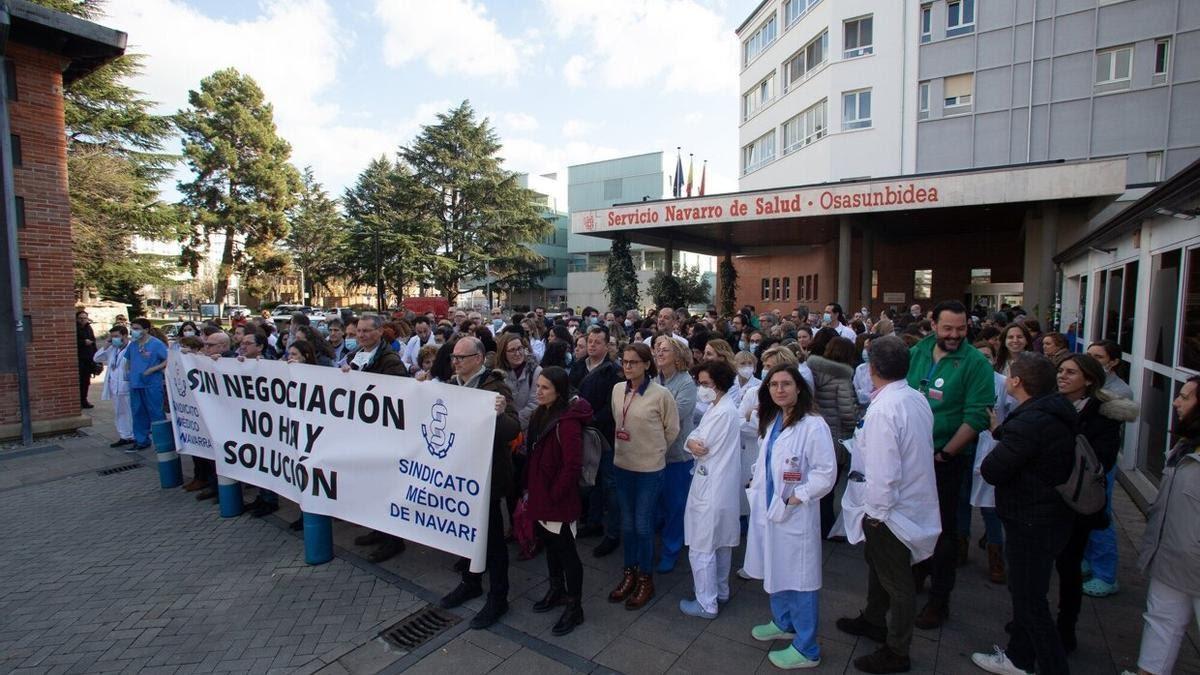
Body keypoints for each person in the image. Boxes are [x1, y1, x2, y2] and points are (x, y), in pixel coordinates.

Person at [836, 336, 940, 674]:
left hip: (892, 512)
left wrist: (876, 515)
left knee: (897, 582)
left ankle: (897, 649)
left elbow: (884, 472)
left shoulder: (885, 410)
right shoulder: (915, 399)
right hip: (906, 505)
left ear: (872, 369)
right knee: (880, 568)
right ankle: (873, 619)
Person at [973, 353, 1076, 675]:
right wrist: (1005, 433)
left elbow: (994, 468)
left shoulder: (1030, 420)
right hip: (1046, 514)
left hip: (1031, 518)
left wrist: (1002, 438)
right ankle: (1019, 657)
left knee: (1030, 599)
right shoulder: (1050, 412)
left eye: (1009, 376)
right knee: (1028, 594)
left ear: (1016, 382)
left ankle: (1053, 666)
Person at [906, 300, 995, 629]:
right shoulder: (918, 353)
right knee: (911, 524)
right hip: (911, 458)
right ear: (933, 325)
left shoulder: (975, 364)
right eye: (948, 329)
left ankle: (939, 600)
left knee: (943, 531)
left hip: (945, 459)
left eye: (961, 329)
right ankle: (916, 574)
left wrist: (945, 454)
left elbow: (976, 416)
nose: (955, 335)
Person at [745, 364, 836, 669]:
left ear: (799, 387)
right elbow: (766, 459)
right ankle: (783, 623)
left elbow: (826, 473)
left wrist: (798, 496)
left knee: (800, 578)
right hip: (769, 508)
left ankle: (806, 647)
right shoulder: (774, 420)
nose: (780, 389)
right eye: (774, 384)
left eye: (786, 384)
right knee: (776, 568)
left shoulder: (813, 425)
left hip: (795, 513)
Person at [1053, 354, 1138, 651]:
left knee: (1069, 566)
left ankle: (1066, 627)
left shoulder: (1103, 415)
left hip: (1077, 503)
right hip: (1050, 500)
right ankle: (1034, 620)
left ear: (1088, 379)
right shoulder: (1053, 403)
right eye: (1060, 371)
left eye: (1071, 372)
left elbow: (1099, 460)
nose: (1062, 376)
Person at [439, 337, 520, 629]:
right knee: (468, 534)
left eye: (461, 357)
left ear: (478, 359)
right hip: (460, 474)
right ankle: (471, 581)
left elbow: (513, 428)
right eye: (453, 358)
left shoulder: (495, 389)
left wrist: (498, 415)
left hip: (486, 478)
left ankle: (499, 597)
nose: (456, 362)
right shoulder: (451, 386)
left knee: (493, 539)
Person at [1130, 376, 1200, 675]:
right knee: (1160, 621)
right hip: (1170, 554)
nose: (1175, 401)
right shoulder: (1185, 447)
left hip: (1192, 557)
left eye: (1185, 397)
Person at [607, 342, 679, 611]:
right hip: (623, 465)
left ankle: (645, 578)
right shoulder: (617, 390)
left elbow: (672, 430)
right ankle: (629, 572)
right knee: (627, 524)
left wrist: (654, 452)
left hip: (649, 469)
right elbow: (618, 421)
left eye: (634, 362)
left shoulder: (661, 395)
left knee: (643, 524)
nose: (627, 367)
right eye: (624, 362)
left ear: (647, 365)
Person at [524, 366, 591, 636]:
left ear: (559, 391)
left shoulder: (568, 421)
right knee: (550, 547)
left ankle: (575, 607)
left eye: (544, 388)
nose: (538, 391)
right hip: (541, 494)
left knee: (567, 552)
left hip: (557, 499)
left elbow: (572, 465)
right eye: (537, 386)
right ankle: (556, 589)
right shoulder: (542, 413)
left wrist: (555, 494)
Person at [679, 360, 742, 619]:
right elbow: (693, 439)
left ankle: (706, 602)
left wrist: (691, 442)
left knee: (702, 546)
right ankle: (720, 591)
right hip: (719, 486)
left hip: (711, 485)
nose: (701, 389)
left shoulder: (722, 412)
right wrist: (691, 441)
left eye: (705, 384)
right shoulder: (719, 408)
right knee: (721, 543)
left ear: (719, 383)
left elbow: (699, 443)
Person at [571, 326, 624, 556]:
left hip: (604, 435)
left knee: (609, 483)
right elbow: (570, 391)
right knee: (590, 480)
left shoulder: (613, 371)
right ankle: (593, 522)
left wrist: (590, 418)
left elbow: (613, 405)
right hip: (581, 432)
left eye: (597, 342)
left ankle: (613, 533)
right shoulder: (578, 366)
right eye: (589, 341)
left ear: (606, 345)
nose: (592, 345)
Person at [968, 340, 1015, 585]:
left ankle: (996, 555)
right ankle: (959, 546)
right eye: (979, 356)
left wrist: (998, 429)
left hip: (991, 445)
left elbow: (1014, 415)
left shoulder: (1002, 383)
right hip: (965, 445)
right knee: (960, 501)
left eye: (988, 356)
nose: (983, 360)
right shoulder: (964, 379)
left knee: (990, 506)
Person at [652, 335, 697, 574]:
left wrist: (648, 416)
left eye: (665, 350)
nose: (659, 353)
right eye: (657, 349)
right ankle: (657, 544)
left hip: (677, 456)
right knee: (656, 504)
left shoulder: (686, 383)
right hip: (652, 454)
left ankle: (671, 549)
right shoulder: (653, 379)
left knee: (675, 506)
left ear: (678, 356)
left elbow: (674, 417)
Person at [806, 335, 858, 539]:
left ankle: (819, 524)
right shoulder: (842, 377)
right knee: (830, 487)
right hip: (837, 436)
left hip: (819, 432)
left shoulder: (813, 369)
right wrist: (857, 423)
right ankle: (826, 527)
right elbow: (847, 413)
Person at [125, 318, 169, 451]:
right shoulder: (133, 344)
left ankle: (162, 443)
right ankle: (141, 441)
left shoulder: (156, 344)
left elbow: (167, 360)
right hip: (136, 384)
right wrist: (128, 372)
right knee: (138, 413)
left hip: (152, 384)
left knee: (156, 413)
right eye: (133, 328)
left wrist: (152, 369)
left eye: (137, 328)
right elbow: (128, 359)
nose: (134, 331)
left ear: (146, 330)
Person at [93, 325, 134, 449]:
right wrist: (106, 344)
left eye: (116, 336)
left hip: (127, 386)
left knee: (131, 412)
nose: (114, 339)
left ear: (125, 336)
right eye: (112, 337)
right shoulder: (112, 349)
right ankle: (124, 436)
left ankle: (134, 436)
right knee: (119, 412)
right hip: (115, 386)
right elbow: (96, 358)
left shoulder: (132, 348)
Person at [76, 310, 97, 408]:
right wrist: (83, 342)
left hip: (88, 358)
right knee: (79, 381)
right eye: (81, 318)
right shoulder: (75, 328)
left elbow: (93, 341)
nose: (83, 320)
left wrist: (96, 357)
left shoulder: (89, 328)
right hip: (79, 358)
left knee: (86, 382)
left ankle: (84, 400)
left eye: (84, 318)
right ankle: (78, 401)